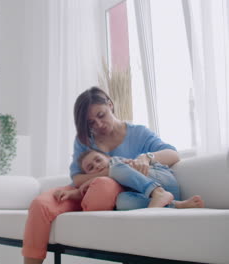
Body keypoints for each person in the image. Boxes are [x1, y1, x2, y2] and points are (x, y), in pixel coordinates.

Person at [22, 87, 182, 264]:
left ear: (110, 105)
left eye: (101, 115)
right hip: (85, 189)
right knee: (40, 205)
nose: (98, 125)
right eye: (91, 122)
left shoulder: (138, 133)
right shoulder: (85, 140)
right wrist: (112, 170)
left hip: (118, 190)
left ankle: (163, 199)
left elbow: (173, 154)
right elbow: (77, 178)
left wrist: (147, 157)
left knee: (103, 188)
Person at [75, 149, 204, 209]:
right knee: (121, 202)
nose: (97, 165)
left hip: (162, 179)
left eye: (98, 160)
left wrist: (89, 180)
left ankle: (158, 192)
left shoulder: (117, 163)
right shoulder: (110, 182)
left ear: (108, 157)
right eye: (90, 167)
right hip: (160, 199)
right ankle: (176, 205)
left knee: (115, 169)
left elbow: (113, 170)